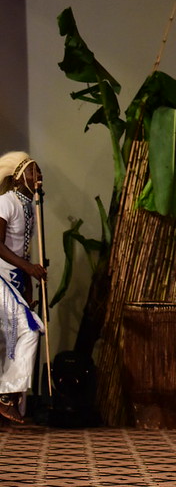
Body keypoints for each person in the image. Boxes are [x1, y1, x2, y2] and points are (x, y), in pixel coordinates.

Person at [0, 151, 46, 424]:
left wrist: (28, 290)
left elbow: (24, 253)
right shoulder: (5, 201)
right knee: (30, 330)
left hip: (14, 281)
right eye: (33, 171)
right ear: (18, 178)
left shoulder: (29, 205)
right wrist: (27, 268)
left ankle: (8, 397)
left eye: (39, 172)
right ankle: (6, 396)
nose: (38, 176)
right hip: (0, 278)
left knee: (11, 338)